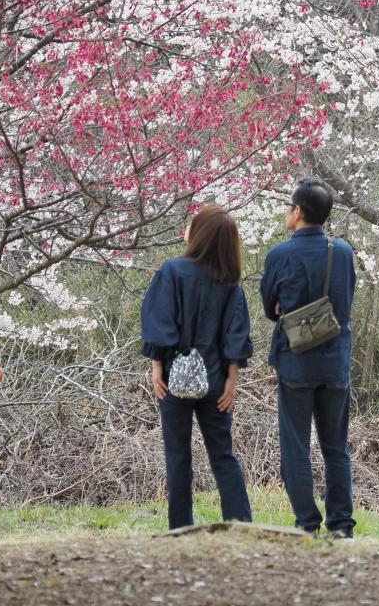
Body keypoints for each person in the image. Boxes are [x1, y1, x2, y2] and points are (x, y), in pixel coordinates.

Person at [141, 204, 254, 530]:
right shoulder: (230, 282)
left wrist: (156, 367)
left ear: (200, 233)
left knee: (178, 456)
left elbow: (159, 321)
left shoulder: (172, 271)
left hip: (173, 379)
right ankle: (240, 525)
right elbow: (236, 335)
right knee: (223, 454)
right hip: (216, 381)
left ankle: (180, 528)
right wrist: (232, 381)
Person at [260, 177, 357, 538]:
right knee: (336, 448)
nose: (287, 211)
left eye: (288, 206)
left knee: (296, 448)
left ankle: (307, 524)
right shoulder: (343, 252)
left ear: (298, 211)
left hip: (296, 361)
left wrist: (286, 307)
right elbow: (345, 301)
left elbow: (270, 308)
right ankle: (342, 526)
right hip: (335, 362)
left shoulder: (280, 255)